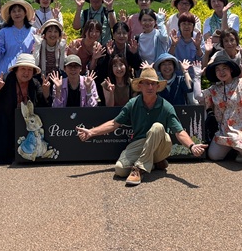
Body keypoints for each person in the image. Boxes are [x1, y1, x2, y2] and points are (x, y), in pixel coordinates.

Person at [76, 66, 208, 186]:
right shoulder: (132, 104)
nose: (150, 87)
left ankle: (139, 169)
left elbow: (179, 132)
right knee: (120, 170)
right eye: (146, 83)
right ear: (140, 86)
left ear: (157, 87)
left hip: (161, 144)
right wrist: (91, 132)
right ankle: (155, 163)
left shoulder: (166, 106)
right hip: (139, 142)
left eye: (153, 84)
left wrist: (192, 145)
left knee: (157, 127)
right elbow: (114, 123)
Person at [0, 53, 49, 164]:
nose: (26, 73)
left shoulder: (35, 83)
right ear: (16, 70)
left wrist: (46, 92)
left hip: (25, 124)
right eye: (23, 69)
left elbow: (44, 104)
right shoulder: (6, 81)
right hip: (4, 123)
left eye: (29, 70)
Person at [203, 51, 242, 163]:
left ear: (231, 69)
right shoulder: (215, 88)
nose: (221, 72)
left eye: (224, 68)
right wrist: (196, 77)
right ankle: (231, 149)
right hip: (225, 130)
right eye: (217, 69)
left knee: (237, 142)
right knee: (214, 156)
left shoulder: (241, 83)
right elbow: (198, 96)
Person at [0, 0, 36, 78]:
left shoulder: (33, 31)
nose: (17, 13)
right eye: (13, 11)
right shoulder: (4, 32)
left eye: (19, 11)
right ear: (10, 14)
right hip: (7, 70)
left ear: (25, 13)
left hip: (27, 69)